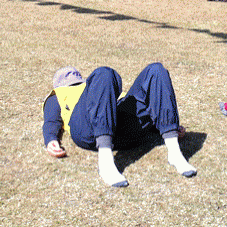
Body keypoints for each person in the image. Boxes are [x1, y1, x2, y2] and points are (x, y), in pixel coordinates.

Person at [43, 63, 196, 187]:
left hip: (120, 127)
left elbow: (139, 109)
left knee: (156, 70)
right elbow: (51, 120)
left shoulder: (101, 85)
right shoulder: (59, 94)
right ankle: (106, 162)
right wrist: (50, 139)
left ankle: (174, 151)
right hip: (87, 130)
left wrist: (164, 128)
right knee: (104, 72)